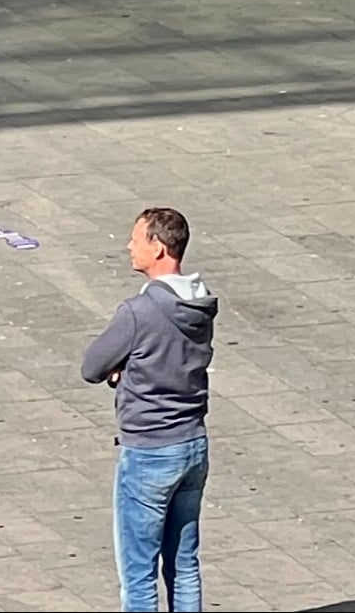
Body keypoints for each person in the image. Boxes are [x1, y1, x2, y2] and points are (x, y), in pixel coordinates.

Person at [80, 207, 215, 613]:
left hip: (149, 450)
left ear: (157, 248)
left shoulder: (138, 312)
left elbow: (92, 366)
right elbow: (171, 357)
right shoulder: (200, 304)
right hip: (193, 443)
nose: (128, 246)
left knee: (138, 574)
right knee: (183, 563)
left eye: (136, 239)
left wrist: (123, 369)